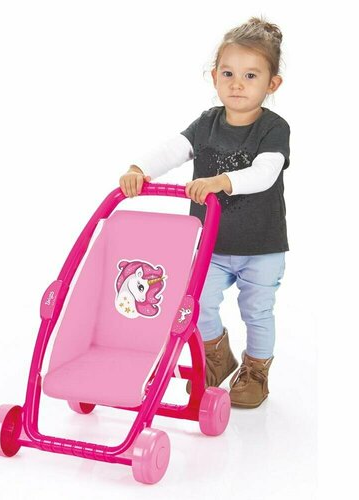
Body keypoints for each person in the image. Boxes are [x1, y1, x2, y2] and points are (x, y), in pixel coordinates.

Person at [119, 17, 290, 409]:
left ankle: (256, 370)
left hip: (261, 246)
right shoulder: (207, 123)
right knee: (193, 306)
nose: (237, 84)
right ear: (214, 77)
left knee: (257, 310)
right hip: (210, 246)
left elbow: (265, 173)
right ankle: (215, 354)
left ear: (272, 84)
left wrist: (221, 181)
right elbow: (174, 149)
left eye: (250, 75)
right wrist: (139, 169)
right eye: (228, 73)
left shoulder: (273, 129)